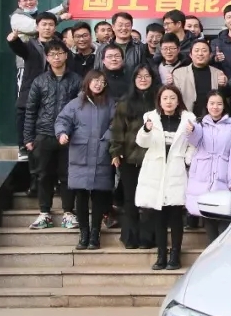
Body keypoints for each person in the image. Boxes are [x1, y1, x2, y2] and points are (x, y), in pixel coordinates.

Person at [22, 41, 82, 229]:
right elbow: (31, 110)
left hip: (69, 136)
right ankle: (44, 212)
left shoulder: (77, 80)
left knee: (67, 175)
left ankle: (68, 213)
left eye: (60, 53)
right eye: (52, 54)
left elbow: (81, 109)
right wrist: (28, 138)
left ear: (66, 55)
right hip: (44, 134)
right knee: (44, 175)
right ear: (47, 58)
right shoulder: (39, 81)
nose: (56, 57)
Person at [136, 86, 197, 270]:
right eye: (165, 98)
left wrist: (187, 159)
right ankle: (161, 255)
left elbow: (193, 144)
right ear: (159, 101)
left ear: (178, 101)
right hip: (155, 170)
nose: (169, 101)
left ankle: (175, 255)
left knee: (176, 216)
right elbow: (142, 142)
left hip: (176, 169)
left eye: (172, 98)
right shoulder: (150, 118)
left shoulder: (188, 119)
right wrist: (146, 130)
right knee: (159, 217)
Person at [55, 70, 116, 251]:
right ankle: (84, 233)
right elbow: (62, 120)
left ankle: (95, 233)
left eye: (102, 82)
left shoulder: (110, 103)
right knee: (81, 197)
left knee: (98, 197)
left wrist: (107, 139)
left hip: (101, 154)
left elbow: (116, 124)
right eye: (95, 80)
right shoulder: (75, 104)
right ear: (87, 82)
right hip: (80, 155)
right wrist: (62, 133)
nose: (98, 84)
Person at [109, 65, 158, 250]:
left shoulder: (159, 101)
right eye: (139, 76)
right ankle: (130, 237)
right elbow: (117, 129)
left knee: (150, 199)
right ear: (133, 80)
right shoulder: (124, 102)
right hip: (129, 158)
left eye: (147, 76)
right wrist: (115, 151)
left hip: (153, 157)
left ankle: (148, 237)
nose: (143, 79)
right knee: (130, 198)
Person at [186, 91, 231, 237]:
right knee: (208, 215)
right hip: (203, 174)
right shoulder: (200, 124)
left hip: (223, 174)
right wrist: (191, 131)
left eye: (219, 104)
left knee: (224, 215)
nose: (215, 107)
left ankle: (223, 248)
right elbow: (194, 139)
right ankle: (212, 247)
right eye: (212, 103)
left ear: (224, 106)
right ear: (207, 105)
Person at [8, 10, 59, 162]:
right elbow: (20, 49)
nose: (47, 28)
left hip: (54, 88)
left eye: (51, 25)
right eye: (44, 24)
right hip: (31, 87)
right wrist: (13, 40)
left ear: (55, 28)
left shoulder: (60, 46)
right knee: (24, 113)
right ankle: (23, 147)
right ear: (37, 27)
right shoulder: (30, 45)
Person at [173, 38, 227, 117]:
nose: (200, 53)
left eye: (204, 50)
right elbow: (175, 97)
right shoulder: (178, 73)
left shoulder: (218, 73)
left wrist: (224, 85)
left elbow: (224, 98)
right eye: (196, 50)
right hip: (187, 117)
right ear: (190, 55)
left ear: (210, 55)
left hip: (212, 118)